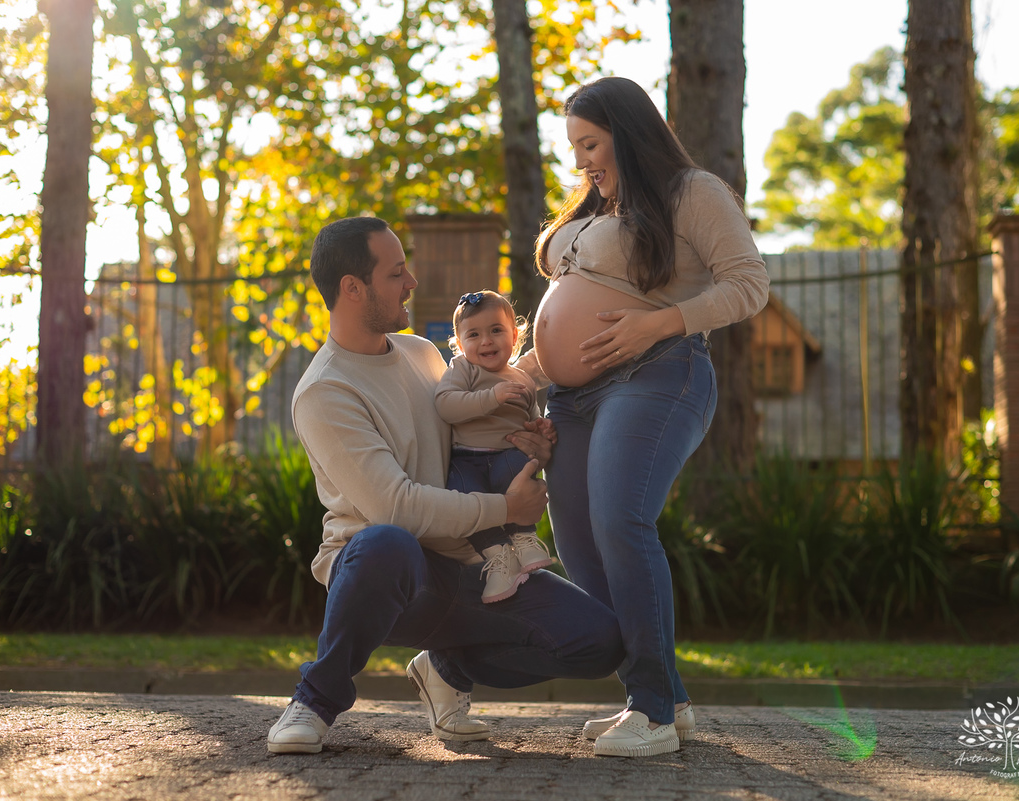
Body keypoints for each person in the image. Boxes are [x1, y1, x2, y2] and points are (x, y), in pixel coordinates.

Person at [266, 216, 624, 755]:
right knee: (384, 541)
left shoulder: (421, 353)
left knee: (601, 642)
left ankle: (445, 666)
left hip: (472, 566)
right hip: (393, 578)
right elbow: (396, 508)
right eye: (396, 273)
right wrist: (503, 504)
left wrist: (526, 441)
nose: (411, 283)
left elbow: (472, 433)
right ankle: (314, 701)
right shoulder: (326, 392)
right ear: (352, 288)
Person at [517, 76, 770, 757]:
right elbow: (570, 320)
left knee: (619, 518)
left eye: (591, 144)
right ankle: (663, 697)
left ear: (627, 133)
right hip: (573, 396)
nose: (581, 162)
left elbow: (749, 283)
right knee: (575, 538)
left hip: (657, 373)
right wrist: (522, 372)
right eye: (574, 147)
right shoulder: (595, 207)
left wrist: (659, 323)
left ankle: (652, 712)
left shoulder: (693, 191)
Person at [435, 290, 555, 604]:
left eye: (496, 331)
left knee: (520, 470)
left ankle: (524, 537)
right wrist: (492, 397)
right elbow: (445, 405)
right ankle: (498, 555)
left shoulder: (523, 380)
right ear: (460, 345)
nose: (486, 341)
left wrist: (540, 428)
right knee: (461, 498)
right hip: (467, 458)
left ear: (515, 336)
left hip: (507, 455)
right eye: (474, 335)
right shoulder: (463, 370)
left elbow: (531, 419)